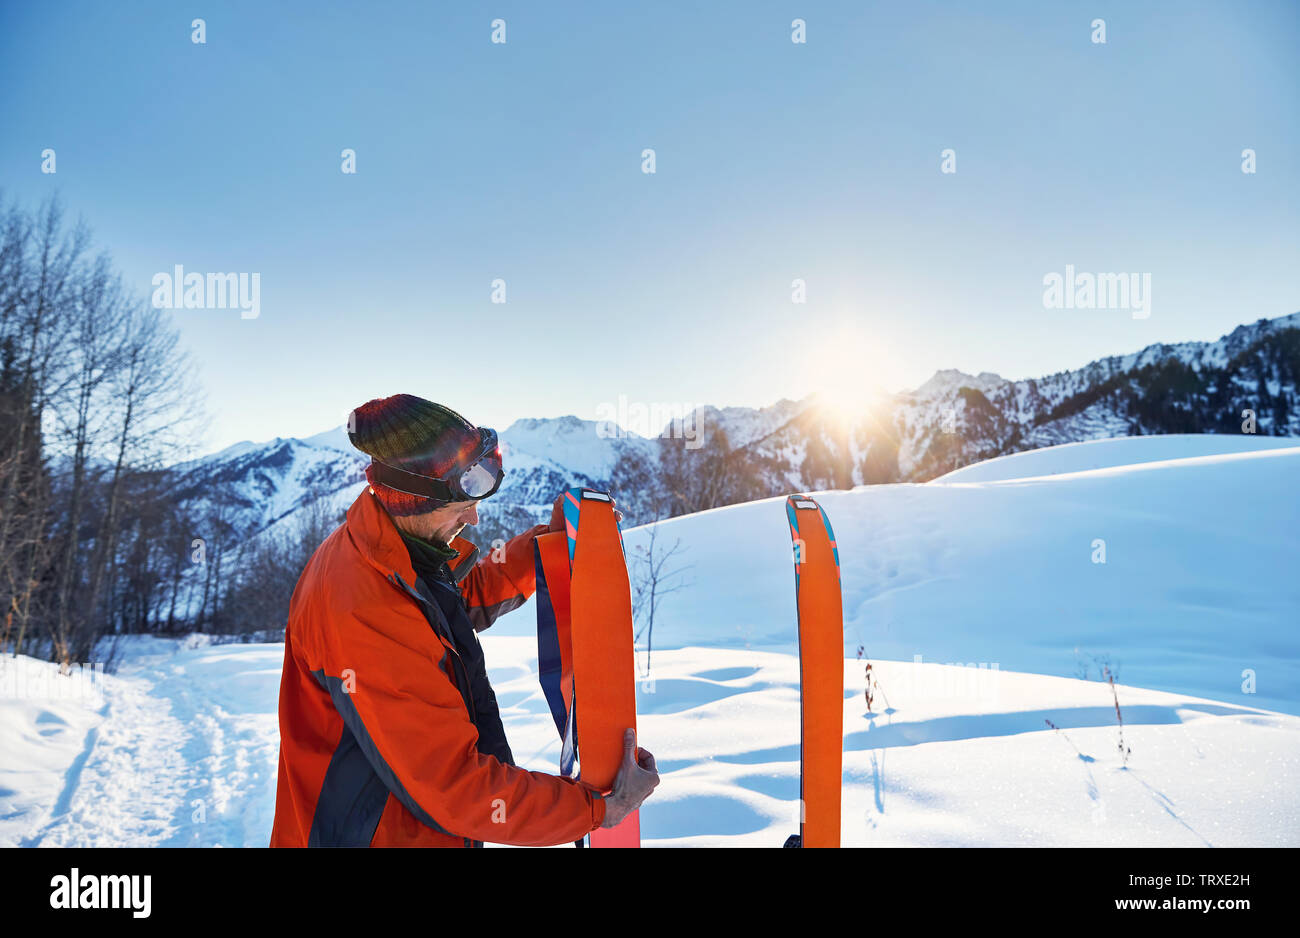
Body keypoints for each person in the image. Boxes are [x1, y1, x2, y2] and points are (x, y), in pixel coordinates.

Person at [270, 394, 658, 847]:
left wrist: (548, 549)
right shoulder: (362, 608)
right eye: (461, 504)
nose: (474, 516)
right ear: (411, 500)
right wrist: (598, 810)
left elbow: (455, 600)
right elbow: (456, 787)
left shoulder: (392, 548)